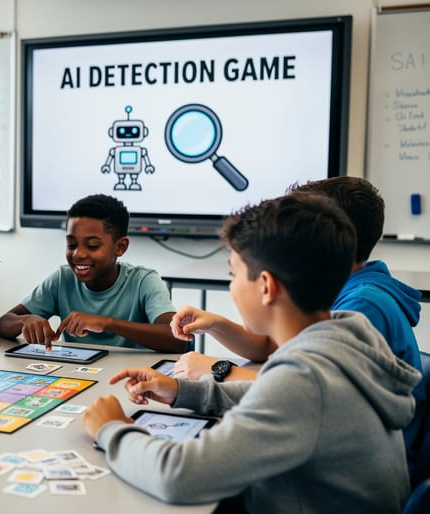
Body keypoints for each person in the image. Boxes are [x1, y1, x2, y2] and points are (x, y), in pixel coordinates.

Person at [81, 194, 420, 513]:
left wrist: (112, 429)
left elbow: (179, 476)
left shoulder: (306, 380)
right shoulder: (346, 333)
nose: (230, 287)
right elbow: (270, 392)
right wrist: (182, 391)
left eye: (233, 274)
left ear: (266, 286)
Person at [169, 177, 424, 466]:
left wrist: (218, 369)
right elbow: (273, 346)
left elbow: (308, 389)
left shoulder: (362, 304)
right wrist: (216, 324)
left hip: (370, 456)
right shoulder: (343, 286)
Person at [0, 194, 185, 352]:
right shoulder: (63, 279)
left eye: (92, 246)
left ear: (120, 247)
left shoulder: (144, 281)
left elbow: (177, 340)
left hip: (133, 384)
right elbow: (2, 323)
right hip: (79, 378)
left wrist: (107, 323)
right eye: (71, 244)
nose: (78, 254)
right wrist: (25, 321)